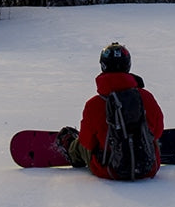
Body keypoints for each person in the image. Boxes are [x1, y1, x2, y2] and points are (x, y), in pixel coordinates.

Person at [58, 42, 165, 180]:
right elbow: (158, 131)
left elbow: (87, 142)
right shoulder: (146, 97)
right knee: (151, 137)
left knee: (81, 144)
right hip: (149, 168)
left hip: (109, 170)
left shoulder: (94, 104)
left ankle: (72, 151)